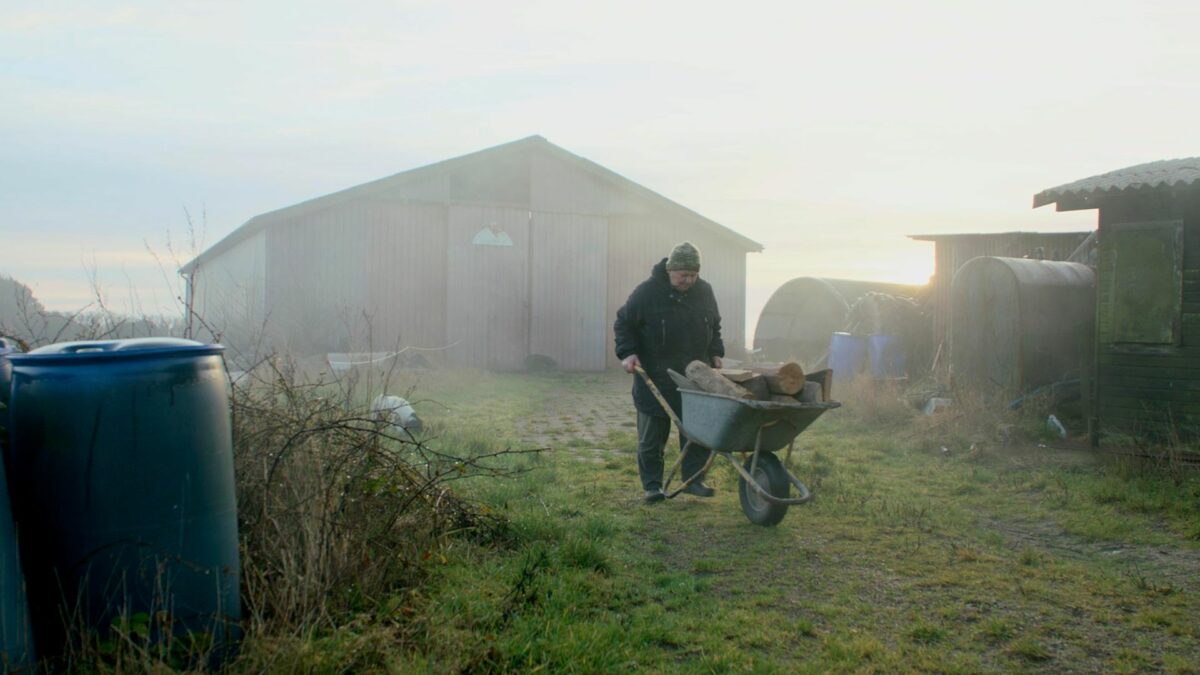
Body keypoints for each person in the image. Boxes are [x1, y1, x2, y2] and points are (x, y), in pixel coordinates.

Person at [614, 242, 724, 503]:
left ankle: (693, 480)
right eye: (683, 275)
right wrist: (628, 353)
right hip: (655, 375)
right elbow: (623, 323)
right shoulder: (647, 293)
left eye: (693, 275)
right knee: (652, 436)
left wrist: (716, 351)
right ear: (670, 269)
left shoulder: (704, 291)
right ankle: (652, 487)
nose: (689, 280)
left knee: (697, 432)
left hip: (693, 377)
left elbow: (715, 326)